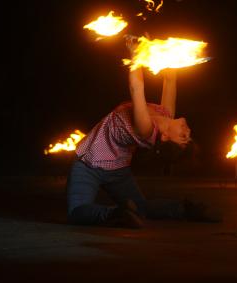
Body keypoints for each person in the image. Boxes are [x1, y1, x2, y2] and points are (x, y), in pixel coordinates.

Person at [66, 37, 217, 228]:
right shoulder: (166, 113)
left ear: (165, 137)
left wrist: (135, 54)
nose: (188, 130)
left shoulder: (145, 129)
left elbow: (136, 88)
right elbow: (170, 78)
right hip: (119, 168)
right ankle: (183, 210)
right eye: (188, 135)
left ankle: (115, 214)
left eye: (183, 136)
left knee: (76, 212)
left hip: (89, 165)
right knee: (141, 207)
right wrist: (168, 49)